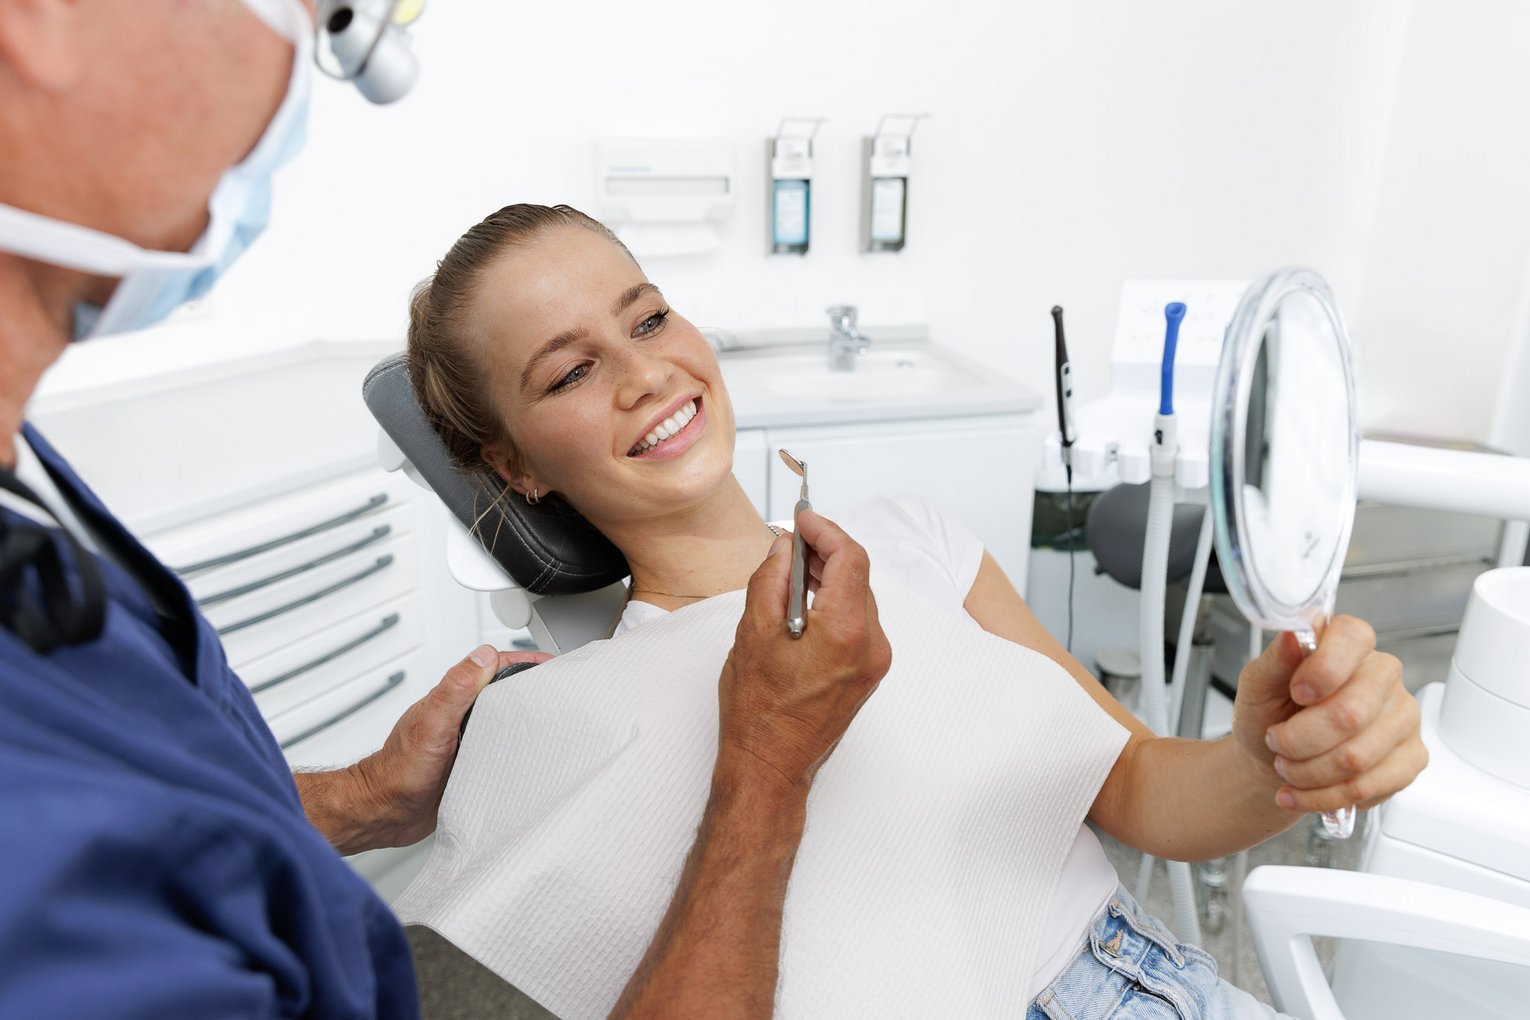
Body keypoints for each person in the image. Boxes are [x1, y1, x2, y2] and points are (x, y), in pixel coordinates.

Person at [0, 2, 888, 1016]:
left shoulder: (908, 544)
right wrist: (768, 771)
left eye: (647, 317)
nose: (342, 61)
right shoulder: (573, 724)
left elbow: (156, 823)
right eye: (321, 15)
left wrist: (366, 796)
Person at [405, 202, 1431, 1018]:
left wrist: (1274, 761)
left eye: (649, 317)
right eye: (573, 371)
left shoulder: (912, 540)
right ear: (513, 465)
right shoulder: (595, 720)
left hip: (1163, 985)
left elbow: (1149, 794)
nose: (643, 372)